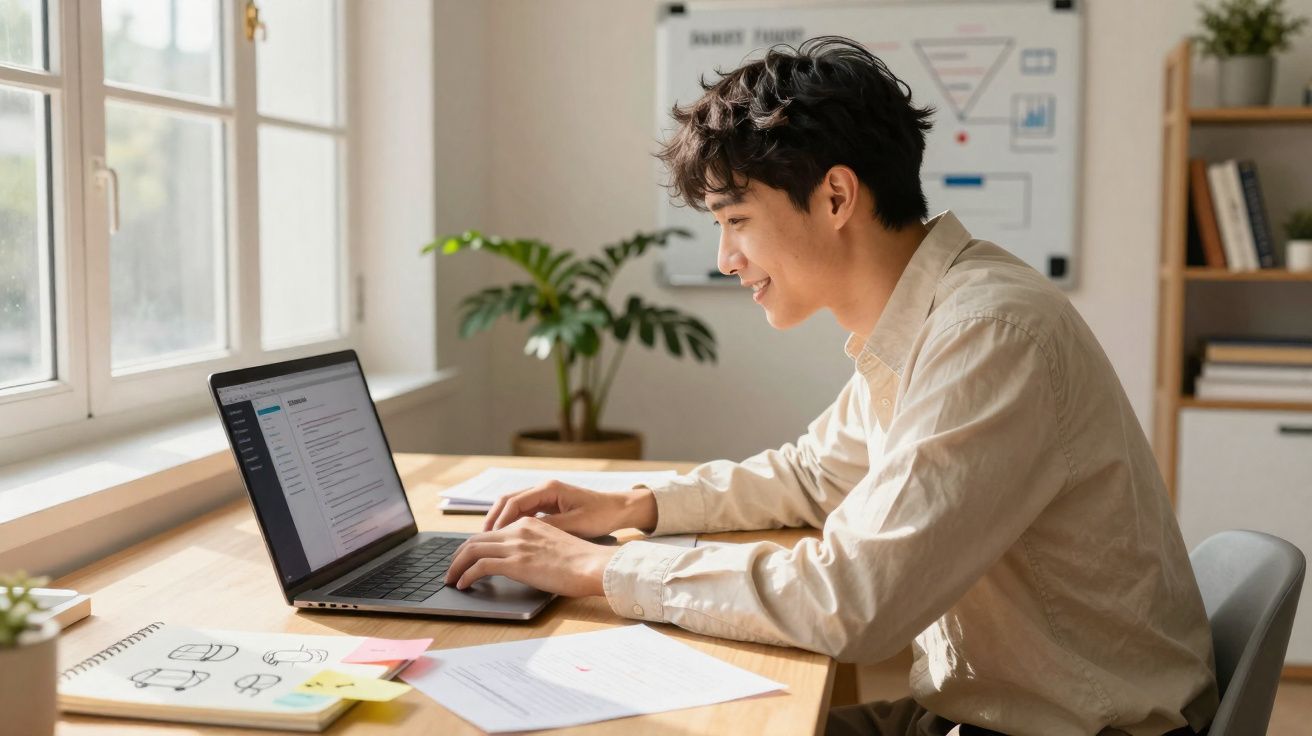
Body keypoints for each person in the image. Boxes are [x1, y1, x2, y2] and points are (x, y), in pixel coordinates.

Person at [444, 36, 1218, 735]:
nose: (726, 258)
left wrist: (603, 568)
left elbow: (854, 602)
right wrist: (634, 506)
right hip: (978, 711)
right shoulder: (934, 314)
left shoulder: (989, 334)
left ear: (837, 197)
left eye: (736, 219)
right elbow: (816, 474)